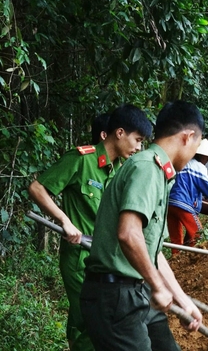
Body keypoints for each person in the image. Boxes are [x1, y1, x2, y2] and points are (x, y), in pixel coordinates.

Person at [80, 100, 204, 349]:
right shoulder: (148, 168)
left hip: (136, 291)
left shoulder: (159, 172)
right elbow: (128, 234)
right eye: (197, 146)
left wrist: (182, 299)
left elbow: (152, 253)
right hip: (116, 297)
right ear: (187, 137)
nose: (193, 156)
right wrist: (158, 286)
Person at [29, 105, 152, 350]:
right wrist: (65, 221)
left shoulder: (119, 169)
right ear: (119, 133)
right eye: (137, 140)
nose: (139, 147)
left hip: (103, 258)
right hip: (79, 256)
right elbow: (37, 188)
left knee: (89, 315)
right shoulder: (82, 160)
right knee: (90, 320)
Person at [168, 139, 208, 253]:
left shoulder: (185, 162)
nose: (207, 160)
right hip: (184, 203)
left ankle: (176, 263)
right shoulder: (199, 168)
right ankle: (191, 259)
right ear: (202, 156)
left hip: (171, 203)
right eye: (207, 157)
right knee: (199, 234)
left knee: (176, 240)